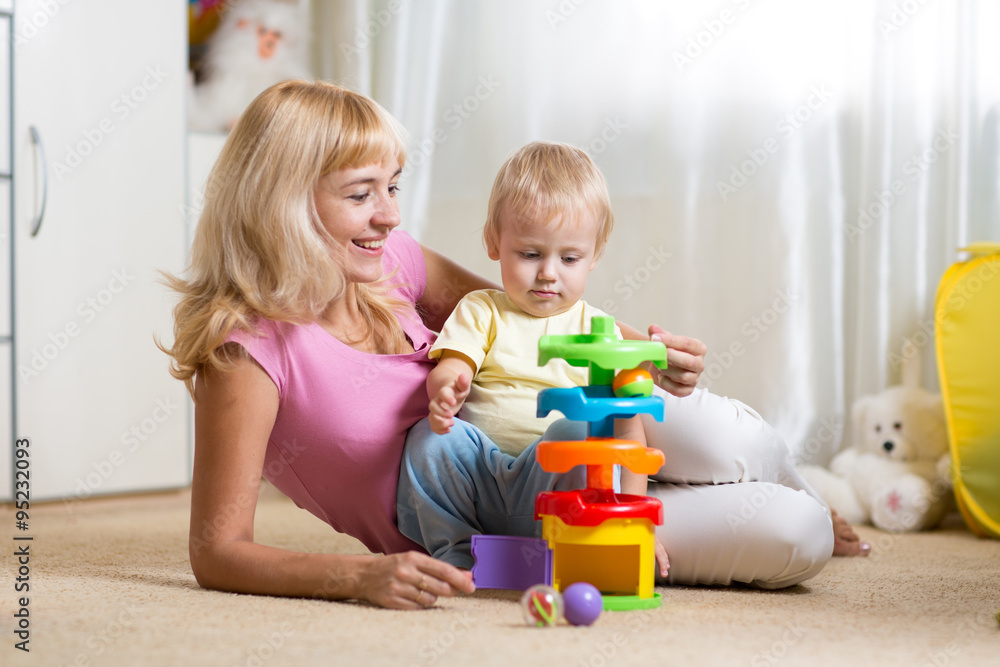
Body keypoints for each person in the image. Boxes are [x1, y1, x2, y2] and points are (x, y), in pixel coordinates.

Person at [163, 79, 865, 612]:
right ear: (284, 201)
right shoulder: (246, 352)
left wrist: (646, 350)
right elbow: (217, 550)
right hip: (506, 518)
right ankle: (799, 504)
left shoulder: (390, 260)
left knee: (732, 436)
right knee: (795, 535)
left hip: (554, 418)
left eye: (393, 186)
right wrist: (357, 575)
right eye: (361, 194)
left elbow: (532, 310)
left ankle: (798, 480)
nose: (390, 214)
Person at [416, 141, 667, 572]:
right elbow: (454, 364)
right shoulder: (483, 309)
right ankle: (454, 550)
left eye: (569, 258)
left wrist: (638, 522)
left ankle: (579, 539)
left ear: (595, 256)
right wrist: (446, 388)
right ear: (494, 242)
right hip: (481, 478)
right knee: (428, 438)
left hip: (554, 487)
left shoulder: (598, 330)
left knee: (582, 432)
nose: (548, 272)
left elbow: (628, 429)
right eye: (530, 254)